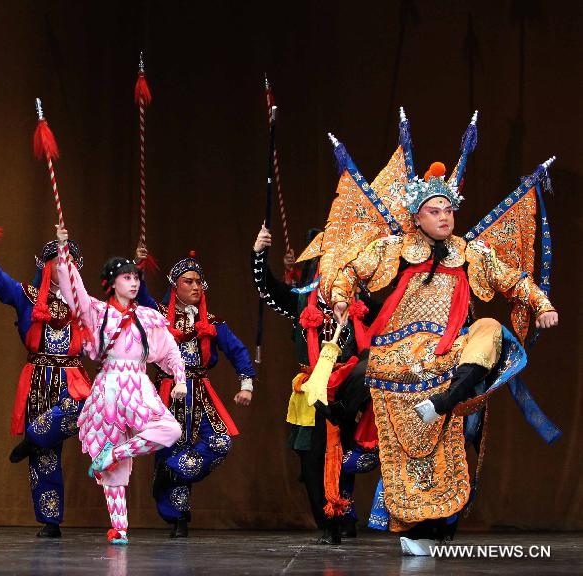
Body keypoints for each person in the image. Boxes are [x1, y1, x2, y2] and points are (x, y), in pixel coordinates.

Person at [316, 113, 557, 554]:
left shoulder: (470, 253)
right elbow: (349, 270)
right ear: (417, 215)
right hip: (400, 356)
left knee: (490, 330)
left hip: (450, 359)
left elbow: (514, 281)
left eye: (448, 209)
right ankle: (410, 523)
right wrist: (338, 297)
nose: (444, 216)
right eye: (434, 210)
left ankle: (444, 404)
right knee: (400, 447)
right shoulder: (393, 249)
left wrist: (542, 304)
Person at [55, 226, 184, 545]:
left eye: (135, 277)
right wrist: (63, 253)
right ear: (112, 283)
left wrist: (179, 378)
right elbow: (75, 292)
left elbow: (169, 350)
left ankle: (115, 453)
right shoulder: (98, 312)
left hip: (137, 384)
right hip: (110, 387)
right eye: (127, 277)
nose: (134, 282)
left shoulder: (149, 318)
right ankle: (120, 527)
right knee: (113, 465)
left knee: (170, 429)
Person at [252, 227, 380, 543]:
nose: (334, 277)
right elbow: (267, 289)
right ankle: (327, 522)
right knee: (311, 459)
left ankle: (345, 513)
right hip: (312, 393)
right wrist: (259, 254)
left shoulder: (360, 308)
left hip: (349, 396)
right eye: (328, 267)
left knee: (347, 455)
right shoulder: (300, 304)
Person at [0, 219, 90, 538]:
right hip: (38, 379)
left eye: (72, 266)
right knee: (46, 458)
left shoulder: (85, 304)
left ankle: (33, 436)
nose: (67, 271)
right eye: (62, 264)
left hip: (72, 378)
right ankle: (51, 522)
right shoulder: (27, 295)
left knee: (80, 411)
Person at [134, 248, 256, 538]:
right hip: (169, 389)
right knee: (173, 446)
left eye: (199, 282)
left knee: (220, 441)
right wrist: (138, 268)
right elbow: (141, 299)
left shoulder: (211, 321)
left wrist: (246, 384)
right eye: (188, 281)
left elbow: (237, 349)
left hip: (200, 389)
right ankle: (178, 518)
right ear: (175, 285)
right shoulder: (160, 316)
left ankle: (169, 472)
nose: (195, 286)